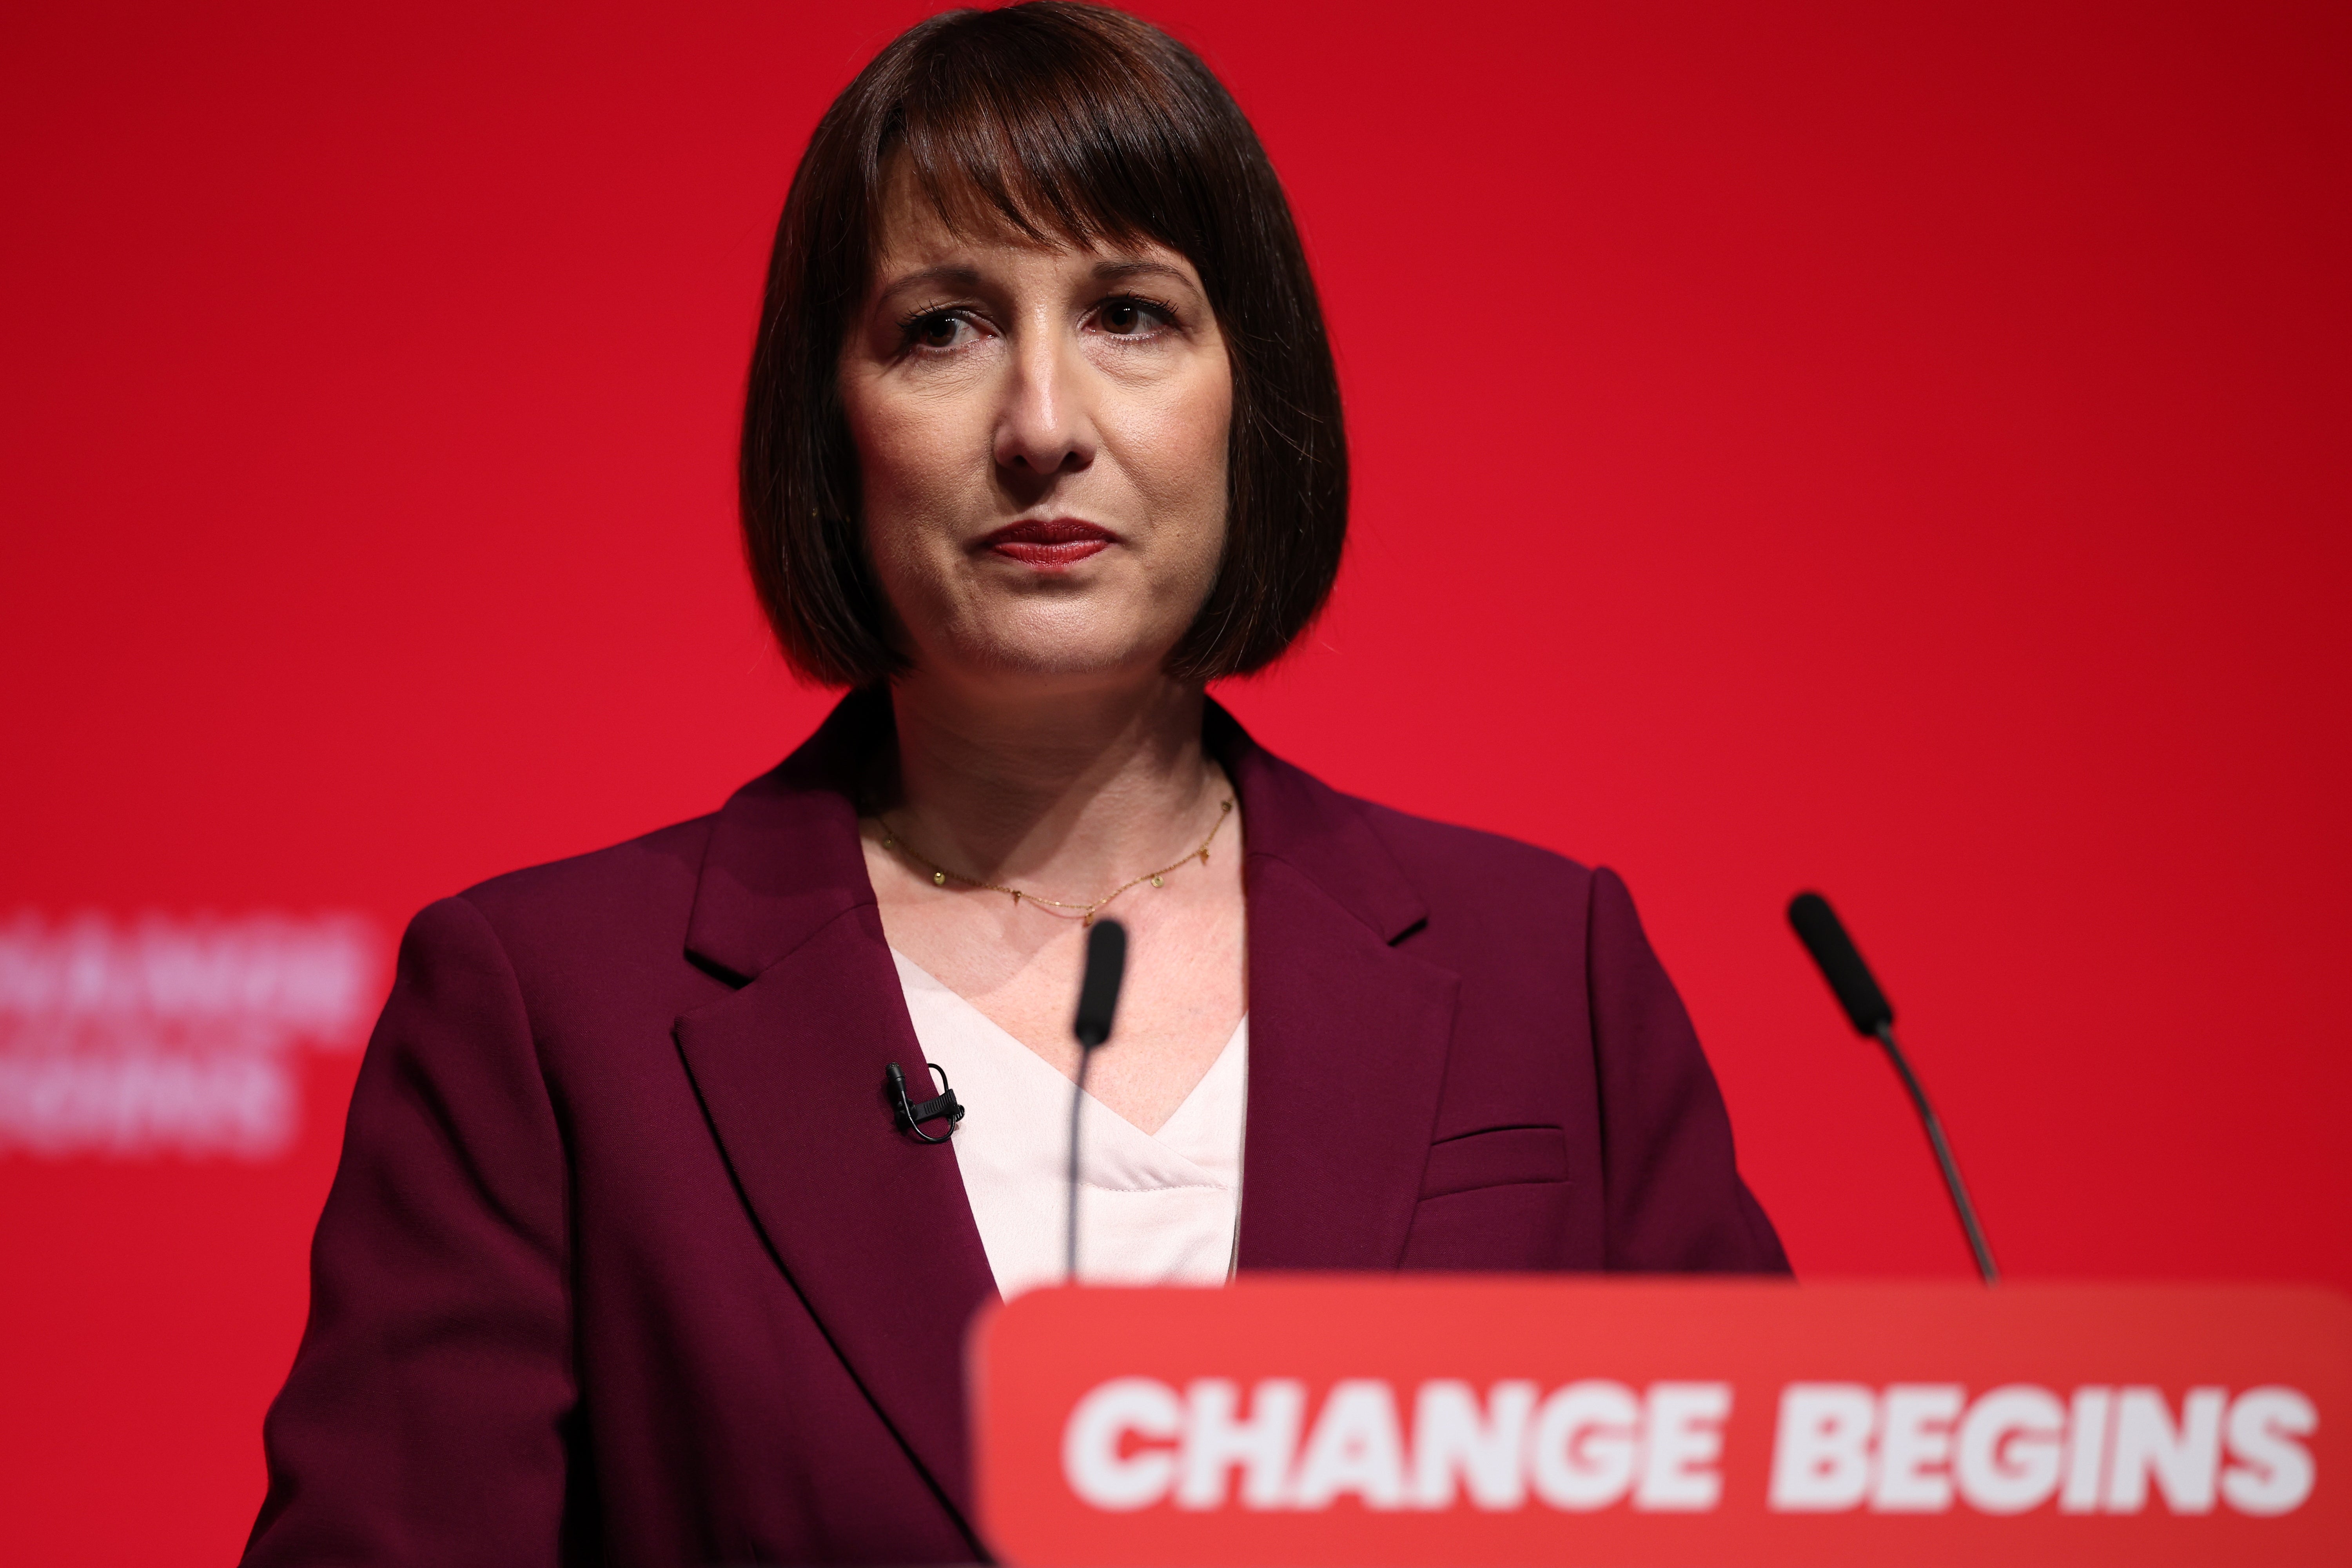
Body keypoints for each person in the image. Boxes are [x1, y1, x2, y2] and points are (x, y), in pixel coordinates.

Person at [242, 5, 1787, 1563]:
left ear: (1252, 401)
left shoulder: (1546, 969)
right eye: (942, 328)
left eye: (1130, 314)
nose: (1043, 426)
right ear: (834, 432)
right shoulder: (551, 1010)